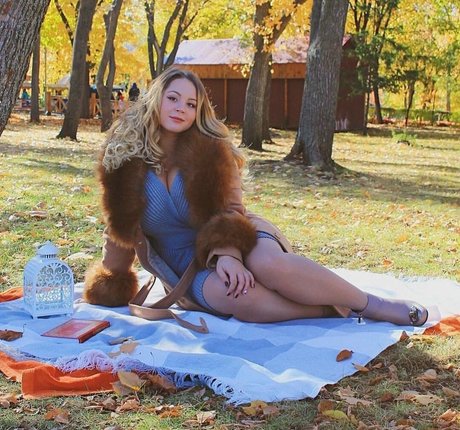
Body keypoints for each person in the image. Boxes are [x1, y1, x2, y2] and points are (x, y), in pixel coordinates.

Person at [83, 66, 428, 328]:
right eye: (173, 98)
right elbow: (120, 230)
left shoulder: (211, 151)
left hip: (238, 235)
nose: (180, 108)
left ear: (198, 111)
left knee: (269, 266)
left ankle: (372, 304)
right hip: (188, 268)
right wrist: (111, 281)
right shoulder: (124, 160)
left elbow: (231, 211)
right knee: (241, 298)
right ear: (155, 98)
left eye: (191, 103)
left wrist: (227, 256)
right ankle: (329, 308)